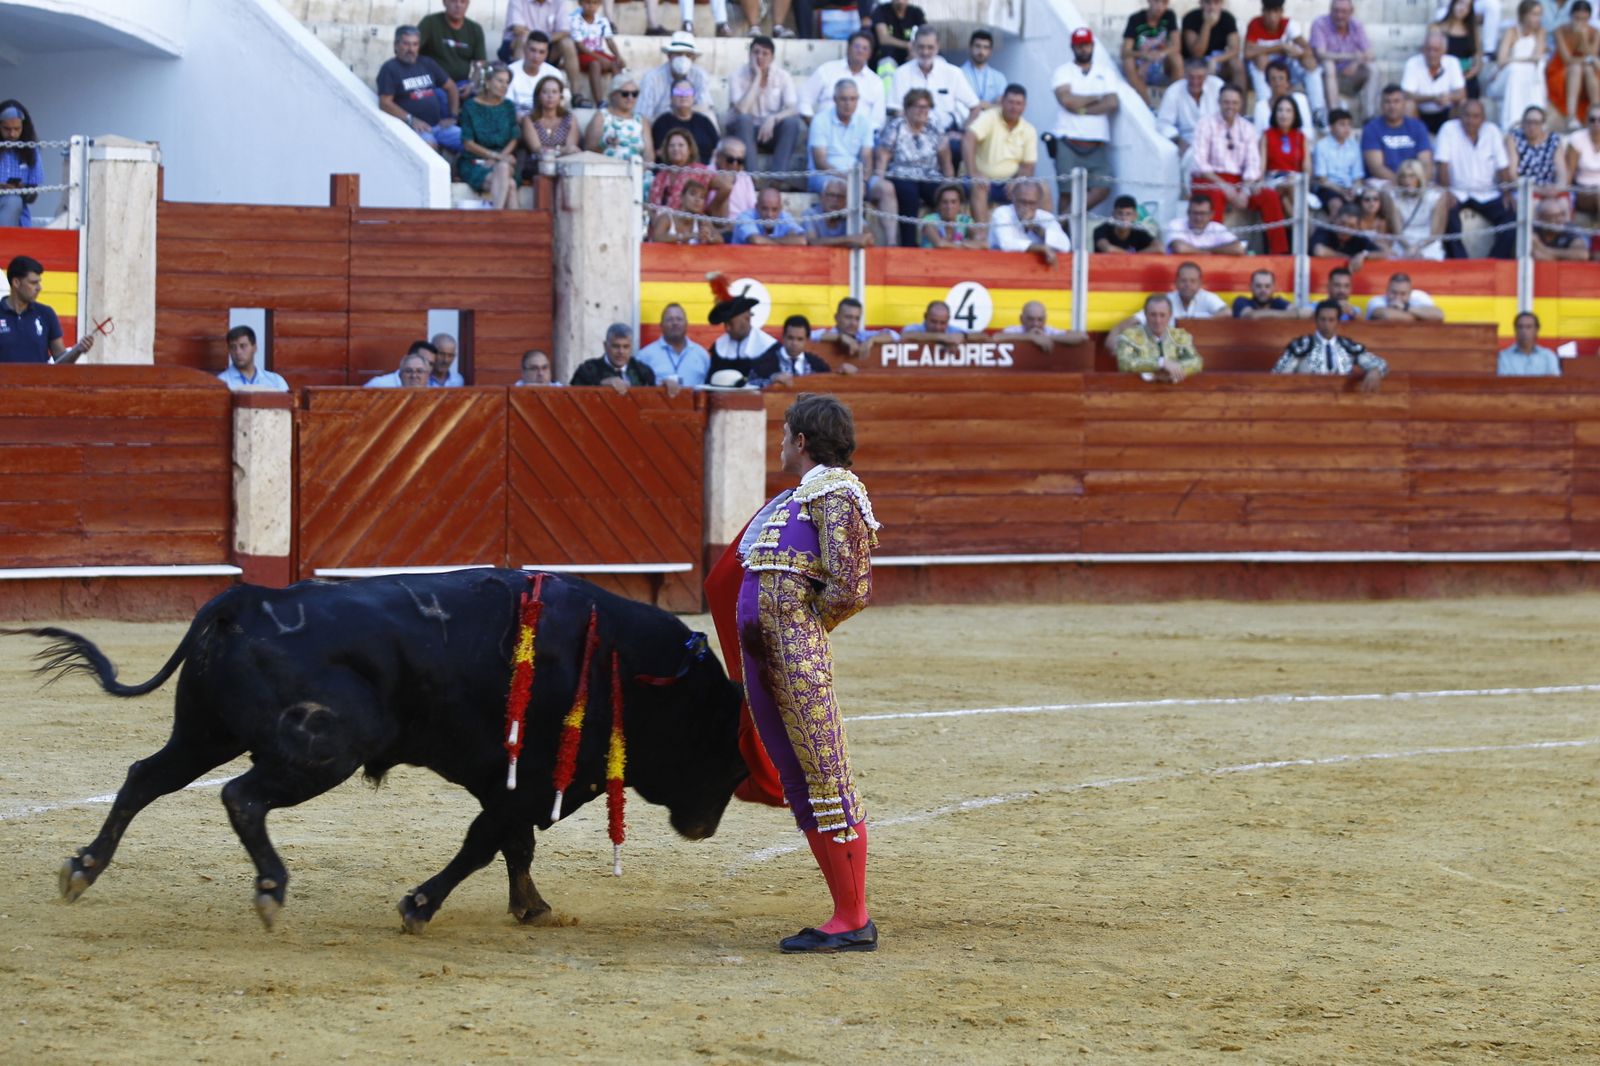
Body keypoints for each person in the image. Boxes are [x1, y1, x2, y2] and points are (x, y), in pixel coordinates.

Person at [732, 393, 879, 955]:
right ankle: (845, 911)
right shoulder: (796, 497)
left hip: (794, 654)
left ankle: (853, 917)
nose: (779, 441)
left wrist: (799, 628)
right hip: (766, 657)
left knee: (825, 776)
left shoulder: (837, 491)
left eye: (784, 431)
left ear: (801, 440)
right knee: (799, 780)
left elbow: (852, 586)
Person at [1191, 84, 1289, 254]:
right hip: (1211, 178)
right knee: (1214, 194)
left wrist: (1244, 191)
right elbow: (1200, 163)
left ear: (1241, 104)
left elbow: (1253, 164)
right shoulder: (1205, 124)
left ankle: (1279, 251)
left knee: (1269, 196)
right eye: (1226, 102)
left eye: (1234, 103)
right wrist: (1224, 186)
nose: (1230, 106)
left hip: (1239, 181)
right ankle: (1215, 250)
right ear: (1219, 102)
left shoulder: (1247, 128)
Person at [809, 80, 899, 242]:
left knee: (886, 188)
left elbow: (867, 157)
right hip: (826, 174)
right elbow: (820, 162)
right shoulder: (820, 120)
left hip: (856, 176)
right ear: (835, 99)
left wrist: (863, 180)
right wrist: (851, 180)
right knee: (844, 187)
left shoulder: (864, 122)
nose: (848, 103)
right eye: (843, 99)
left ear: (857, 100)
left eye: (852, 99)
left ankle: (891, 243)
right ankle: (854, 238)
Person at [1436, 98, 1516, 258]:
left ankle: (1495, 262)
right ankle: (1461, 263)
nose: (1470, 120)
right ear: (1460, 116)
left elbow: (1503, 166)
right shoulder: (1448, 129)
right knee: (1448, 216)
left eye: (1475, 116)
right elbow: (1442, 165)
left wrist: (1507, 193)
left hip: (1488, 192)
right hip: (1457, 191)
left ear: (1483, 118)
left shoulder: (1492, 131)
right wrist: (1447, 192)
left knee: (1511, 217)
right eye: (1467, 116)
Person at [876, 88, 955, 246]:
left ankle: (946, 241)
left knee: (944, 194)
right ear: (907, 109)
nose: (922, 111)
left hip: (929, 175)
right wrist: (879, 178)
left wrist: (950, 183)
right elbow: (883, 155)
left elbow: (946, 159)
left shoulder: (935, 128)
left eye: (926, 107)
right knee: (909, 194)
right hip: (901, 174)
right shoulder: (896, 126)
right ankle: (908, 244)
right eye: (918, 106)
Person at [1050, 28, 1118, 213]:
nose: (1083, 49)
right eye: (1079, 45)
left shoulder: (1106, 72)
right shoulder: (1063, 71)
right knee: (1066, 193)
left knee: (1104, 186)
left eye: (1086, 45)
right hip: (1068, 141)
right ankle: (1063, 235)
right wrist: (1097, 97)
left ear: (1092, 46)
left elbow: (1112, 103)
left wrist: (1079, 108)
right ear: (1073, 47)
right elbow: (1066, 100)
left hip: (1096, 144)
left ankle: (1068, 217)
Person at [890, 28, 981, 157]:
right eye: (921, 47)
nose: (925, 52)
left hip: (945, 133)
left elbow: (975, 107)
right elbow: (896, 110)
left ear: (937, 47)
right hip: (910, 133)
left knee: (956, 146)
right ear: (914, 46)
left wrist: (962, 132)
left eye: (930, 47)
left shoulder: (953, 73)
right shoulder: (901, 73)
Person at [725, 36, 804, 176]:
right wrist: (757, 78)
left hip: (769, 131)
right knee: (744, 119)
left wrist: (774, 118)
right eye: (756, 52)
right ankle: (753, 177)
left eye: (765, 53)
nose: (759, 57)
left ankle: (777, 178)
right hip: (742, 132)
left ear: (772, 58)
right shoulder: (737, 76)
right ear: (749, 55)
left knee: (792, 123)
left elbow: (794, 108)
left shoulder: (783, 76)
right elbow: (742, 109)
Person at [1272, 299, 1388, 392]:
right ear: (1316, 320)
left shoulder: (1348, 347)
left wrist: (1375, 370)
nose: (1326, 324)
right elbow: (1277, 375)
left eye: (1331, 320)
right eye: (1323, 319)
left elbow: (1380, 364)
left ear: (1338, 322)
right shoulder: (1301, 346)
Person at [377, 26, 463, 152]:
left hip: (439, 126)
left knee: (468, 142)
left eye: (415, 44)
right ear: (396, 45)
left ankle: (457, 170)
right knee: (429, 149)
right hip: (413, 129)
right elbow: (385, 103)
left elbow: (451, 87)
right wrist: (411, 119)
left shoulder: (427, 63)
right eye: (406, 44)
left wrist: (453, 117)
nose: (411, 49)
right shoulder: (390, 69)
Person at [963, 84, 1039, 222]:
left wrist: (1018, 180)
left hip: (1010, 184)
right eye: (1010, 102)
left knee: (1043, 189)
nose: (1014, 107)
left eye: (1018, 103)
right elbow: (969, 137)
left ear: (1024, 106)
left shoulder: (1029, 129)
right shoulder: (989, 117)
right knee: (979, 186)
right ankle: (983, 236)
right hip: (983, 180)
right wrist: (973, 173)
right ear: (1002, 101)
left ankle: (1040, 234)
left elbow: (1029, 166)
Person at [1246, 0, 1327, 127]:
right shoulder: (1255, 24)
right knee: (1261, 60)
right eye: (1269, 12)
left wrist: (1297, 53)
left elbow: (1308, 50)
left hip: (1286, 69)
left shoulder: (1289, 24)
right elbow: (1248, 52)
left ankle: (1318, 111)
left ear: (1281, 12)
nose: (1272, 17)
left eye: (1276, 12)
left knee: (1309, 63)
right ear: (1263, 12)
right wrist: (1279, 47)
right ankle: (1266, 109)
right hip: (1264, 72)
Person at [0, 255, 94, 364]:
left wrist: (78, 350)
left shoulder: (45, 314)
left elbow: (61, 361)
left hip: (39, 381)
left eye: (39, 282)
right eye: (33, 283)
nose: (39, 288)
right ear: (16, 282)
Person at [458, 63, 521, 210]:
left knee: (503, 167)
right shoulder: (470, 106)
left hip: (503, 159)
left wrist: (499, 158)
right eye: (500, 81)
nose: (504, 86)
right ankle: (516, 229)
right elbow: (468, 143)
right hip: (475, 162)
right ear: (487, 82)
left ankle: (496, 216)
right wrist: (494, 156)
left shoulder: (508, 106)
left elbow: (514, 138)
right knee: (509, 185)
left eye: (507, 82)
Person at [802, 32, 888, 133]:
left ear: (870, 54)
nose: (860, 51)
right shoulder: (827, 70)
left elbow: (878, 120)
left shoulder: (876, 81)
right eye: (856, 46)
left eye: (865, 48)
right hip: (825, 132)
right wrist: (815, 126)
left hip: (859, 138)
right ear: (848, 48)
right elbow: (804, 99)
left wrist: (864, 137)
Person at [502, 0, 583, 105]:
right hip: (517, 45)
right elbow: (518, 29)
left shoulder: (559, 2)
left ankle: (576, 94)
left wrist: (543, 41)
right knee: (524, 38)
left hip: (548, 44)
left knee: (567, 42)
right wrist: (536, 42)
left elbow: (564, 30)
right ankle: (520, 81)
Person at [1114, 293, 1203, 382]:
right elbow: (1125, 363)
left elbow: (1197, 362)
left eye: (1162, 315)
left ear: (1170, 315)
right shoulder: (1129, 337)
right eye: (1153, 315)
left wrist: (1174, 369)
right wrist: (1161, 363)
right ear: (1145, 314)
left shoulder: (1179, 336)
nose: (1158, 320)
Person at [1158, 58, 1223, 176]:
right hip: (1188, 141)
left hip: (1218, 138)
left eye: (1200, 77)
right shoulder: (1174, 91)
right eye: (1191, 77)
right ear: (1185, 75)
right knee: (1193, 158)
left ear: (1207, 75)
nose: (1195, 81)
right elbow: (1163, 123)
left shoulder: (1218, 86)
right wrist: (1178, 140)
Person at [1312, 0, 1375, 116]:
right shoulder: (1320, 23)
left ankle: (1369, 115)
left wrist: (1357, 61)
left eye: (1343, 12)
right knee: (1328, 64)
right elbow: (1320, 53)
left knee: (1372, 68)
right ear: (1330, 10)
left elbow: (1370, 54)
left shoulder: (1357, 25)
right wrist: (1350, 56)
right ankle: (1334, 113)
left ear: (1351, 12)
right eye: (1336, 11)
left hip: (1349, 76)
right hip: (1325, 77)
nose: (1339, 16)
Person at [988, 178, 1072, 265]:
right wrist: (1040, 248)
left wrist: (1036, 228)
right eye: (1022, 202)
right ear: (1013, 198)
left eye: (1031, 203)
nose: (1026, 207)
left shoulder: (1046, 217)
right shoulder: (1002, 213)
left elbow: (1065, 245)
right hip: (1003, 266)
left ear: (1039, 202)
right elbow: (1006, 244)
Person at [1493, 1, 1548, 133]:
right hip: (1504, 78)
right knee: (1515, 70)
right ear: (1524, 15)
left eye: (1539, 14)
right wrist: (1521, 60)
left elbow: (1537, 58)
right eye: (1534, 14)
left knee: (1537, 69)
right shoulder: (1512, 32)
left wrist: (1516, 60)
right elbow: (1501, 61)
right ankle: (1513, 120)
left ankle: (1536, 117)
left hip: (1527, 75)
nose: (1537, 18)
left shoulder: (1540, 32)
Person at [1361, 84, 1434, 182]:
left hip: (1415, 183)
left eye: (1396, 101)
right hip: (1384, 182)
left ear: (1404, 103)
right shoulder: (1371, 128)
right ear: (1381, 105)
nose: (1392, 106)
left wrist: (1419, 184)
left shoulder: (1418, 127)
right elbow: (1376, 167)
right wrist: (1402, 183)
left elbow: (1425, 162)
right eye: (1387, 102)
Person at [708, 280, 778, 381]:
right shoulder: (718, 347)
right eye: (725, 324)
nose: (727, 329)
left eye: (730, 323)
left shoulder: (768, 348)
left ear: (746, 318)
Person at [1402, 29, 1467, 136]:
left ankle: (1457, 139)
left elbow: (1461, 93)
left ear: (1444, 51)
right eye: (1428, 49)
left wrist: (1448, 97)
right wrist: (1433, 98)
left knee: (1462, 103)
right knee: (1408, 105)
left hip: (1446, 112)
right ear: (1423, 50)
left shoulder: (1452, 62)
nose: (1431, 54)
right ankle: (1413, 139)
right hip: (1420, 113)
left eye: (1436, 50)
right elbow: (1407, 94)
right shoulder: (1413, 63)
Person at [584, 72, 655, 169]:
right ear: (613, 94)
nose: (630, 98)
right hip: (606, 172)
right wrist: (605, 143)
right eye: (625, 94)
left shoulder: (642, 121)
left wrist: (640, 171)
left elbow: (649, 155)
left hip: (638, 174)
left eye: (634, 94)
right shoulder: (601, 116)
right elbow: (589, 150)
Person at [638, 32, 711, 123]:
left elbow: (704, 105)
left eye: (688, 55)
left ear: (693, 59)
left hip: (691, 123)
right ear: (669, 56)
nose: (683, 59)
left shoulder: (700, 76)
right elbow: (643, 114)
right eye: (678, 54)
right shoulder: (652, 78)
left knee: (710, 115)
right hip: (661, 124)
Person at [419, 0, 487, 93]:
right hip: (433, 83)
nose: (458, 5)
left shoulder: (475, 29)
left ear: (467, 4)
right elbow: (413, 49)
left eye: (462, 2)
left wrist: (471, 85)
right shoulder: (430, 22)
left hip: (462, 83)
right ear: (444, 2)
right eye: (453, 1)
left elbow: (480, 64)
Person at [1122, 0, 1183, 103]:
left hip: (1161, 61)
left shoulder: (1169, 16)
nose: (1160, 7)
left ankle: (1175, 101)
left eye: (1164, 3)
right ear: (1149, 1)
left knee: (1177, 58)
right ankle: (1147, 104)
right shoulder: (1136, 19)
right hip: (1141, 64)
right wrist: (1145, 56)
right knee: (1128, 62)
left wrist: (1160, 54)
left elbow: (1176, 46)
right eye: (1157, 2)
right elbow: (1125, 51)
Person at [1261, 91, 1312, 214]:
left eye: (1288, 111)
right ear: (1275, 113)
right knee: (1286, 188)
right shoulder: (1267, 135)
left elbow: (1307, 168)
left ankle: (1295, 223)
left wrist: (1300, 179)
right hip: (1274, 179)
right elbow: (1261, 168)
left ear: (1295, 114)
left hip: (1295, 180)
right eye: (1280, 110)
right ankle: (1305, 229)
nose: (1284, 115)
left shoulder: (1301, 137)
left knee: (1286, 197)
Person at [637, 303, 712, 386]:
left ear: (686, 324)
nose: (675, 323)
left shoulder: (702, 355)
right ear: (661, 325)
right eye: (669, 319)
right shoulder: (645, 356)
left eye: (679, 319)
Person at [1552, 1, 1600, 130]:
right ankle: (1571, 116)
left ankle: (1596, 110)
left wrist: (1583, 37)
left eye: (1584, 19)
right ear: (1571, 16)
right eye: (1577, 18)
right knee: (1577, 68)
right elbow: (1567, 59)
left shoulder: (1595, 32)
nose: (1580, 22)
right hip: (1564, 68)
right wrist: (1587, 60)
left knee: (1588, 69)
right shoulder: (1560, 31)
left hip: (1587, 69)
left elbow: (1592, 54)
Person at [751, 315, 837, 386]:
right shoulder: (766, 361)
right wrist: (771, 379)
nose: (794, 343)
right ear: (783, 337)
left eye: (800, 339)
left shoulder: (817, 364)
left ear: (807, 340)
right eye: (790, 338)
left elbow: (829, 383)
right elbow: (750, 384)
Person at [571, 323, 657, 391]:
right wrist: (600, 384)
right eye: (616, 346)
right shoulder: (587, 370)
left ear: (631, 347)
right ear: (605, 346)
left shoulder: (643, 371)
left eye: (625, 347)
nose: (621, 352)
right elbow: (573, 396)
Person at [1389, 158, 1447, 259]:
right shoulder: (1394, 197)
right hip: (1403, 241)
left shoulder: (1434, 196)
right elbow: (1397, 232)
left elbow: (1435, 233)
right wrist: (1409, 248)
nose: (1407, 181)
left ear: (1419, 178)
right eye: (1404, 177)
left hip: (1428, 241)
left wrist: (1418, 247)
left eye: (1412, 176)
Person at [568, 0, 622, 108]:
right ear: (580, 3)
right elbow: (580, 46)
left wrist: (618, 56)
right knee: (595, 64)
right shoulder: (574, 20)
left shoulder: (602, 21)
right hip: (581, 54)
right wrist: (601, 59)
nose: (591, 6)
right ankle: (600, 101)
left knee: (617, 64)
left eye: (595, 3)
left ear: (599, 4)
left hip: (598, 53)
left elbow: (609, 41)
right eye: (587, 3)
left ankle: (619, 99)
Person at [652, 83, 720, 166]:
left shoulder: (704, 121)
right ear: (671, 98)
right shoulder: (662, 122)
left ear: (693, 97)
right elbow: (658, 152)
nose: (683, 96)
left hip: (705, 172)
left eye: (688, 92)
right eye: (678, 92)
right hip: (673, 171)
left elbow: (717, 149)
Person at [0, 102, 44, 228]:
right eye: (7, 129)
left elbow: (33, 196)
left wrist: (21, 189)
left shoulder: (31, 150)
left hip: (14, 210)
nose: (12, 134)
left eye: (17, 129)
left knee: (13, 200)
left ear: (24, 128)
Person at [650, 127, 714, 212]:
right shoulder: (661, 176)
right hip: (661, 222)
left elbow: (725, 186)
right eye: (671, 145)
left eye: (681, 145)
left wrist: (710, 210)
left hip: (689, 222)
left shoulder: (700, 171)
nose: (676, 149)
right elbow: (652, 208)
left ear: (690, 149)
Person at [1313, 108, 1364, 215]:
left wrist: (1353, 190)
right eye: (1342, 124)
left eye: (1349, 124)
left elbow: (1357, 177)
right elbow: (1322, 180)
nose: (1346, 128)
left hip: (1349, 188)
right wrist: (1342, 191)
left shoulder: (1354, 146)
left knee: (1368, 200)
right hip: (1329, 188)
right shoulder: (1322, 146)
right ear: (1331, 127)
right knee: (1336, 204)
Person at [1182, 0, 1244, 87]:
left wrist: (1216, 59)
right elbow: (1197, 53)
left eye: (1216, 3)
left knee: (1237, 64)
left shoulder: (1227, 18)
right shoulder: (1191, 18)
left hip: (1218, 60)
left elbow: (1235, 49)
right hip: (1194, 61)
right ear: (1201, 3)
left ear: (1222, 4)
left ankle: (1239, 98)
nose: (1212, 7)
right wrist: (1207, 25)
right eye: (1208, 3)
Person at [508, 33, 571, 117]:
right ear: (525, 49)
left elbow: (559, 104)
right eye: (532, 50)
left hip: (544, 119)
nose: (536, 56)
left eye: (541, 52)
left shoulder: (554, 73)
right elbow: (507, 106)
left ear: (546, 54)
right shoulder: (510, 71)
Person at [522, 75, 580, 165]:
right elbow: (537, 149)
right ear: (538, 96)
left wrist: (557, 151)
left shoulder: (569, 118)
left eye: (554, 92)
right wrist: (561, 149)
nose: (550, 96)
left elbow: (571, 149)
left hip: (564, 164)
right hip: (538, 165)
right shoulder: (529, 119)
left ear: (560, 96)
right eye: (545, 92)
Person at [812, 297, 892, 360]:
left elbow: (893, 335)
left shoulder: (863, 336)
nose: (853, 323)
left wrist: (872, 340)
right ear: (836, 318)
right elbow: (810, 335)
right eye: (848, 317)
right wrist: (840, 337)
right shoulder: (827, 334)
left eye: (857, 318)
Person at [1165, 191, 1246, 254]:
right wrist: (1213, 251)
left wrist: (1201, 250)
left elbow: (1238, 248)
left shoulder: (1217, 228)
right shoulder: (1176, 224)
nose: (1198, 218)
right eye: (1195, 213)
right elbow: (1180, 249)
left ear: (1211, 214)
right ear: (1188, 213)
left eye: (1203, 213)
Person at [648, 177, 723, 244]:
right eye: (693, 194)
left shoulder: (702, 220)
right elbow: (657, 238)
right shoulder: (667, 217)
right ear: (682, 197)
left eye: (702, 197)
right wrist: (683, 236)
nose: (697, 200)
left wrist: (710, 238)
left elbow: (720, 239)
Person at [1435, 0, 1483, 101]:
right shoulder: (1437, 28)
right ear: (1453, 3)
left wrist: (1472, 72)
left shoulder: (1472, 30)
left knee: (1471, 87)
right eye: (1460, 3)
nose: (1462, 8)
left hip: (1466, 73)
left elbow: (1478, 58)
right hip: (1444, 72)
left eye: (1467, 6)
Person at [804, 178, 874, 248]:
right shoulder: (811, 214)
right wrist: (848, 239)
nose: (835, 200)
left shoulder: (849, 213)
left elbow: (870, 239)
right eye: (831, 195)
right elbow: (812, 242)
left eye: (840, 196)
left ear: (846, 200)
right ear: (822, 197)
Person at [1251, 58, 1314, 134]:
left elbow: (1307, 131)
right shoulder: (1260, 106)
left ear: (1288, 82)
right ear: (1267, 82)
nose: (1278, 83)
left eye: (1281, 78)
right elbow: (1258, 135)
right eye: (1273, 79)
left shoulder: (1300, 99)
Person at [1557, 103, 1600, 215]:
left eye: (1599, 120)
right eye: (1592, 119)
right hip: (1583, 191)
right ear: (1586, 121)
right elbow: (1569, 173)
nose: (1596, 123)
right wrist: (1564, 195)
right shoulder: (1577, 139)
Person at [216, 325, 289, 391]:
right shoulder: (221, 383)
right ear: (228, 350)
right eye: (233, 347)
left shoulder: (276, 381)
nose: (238, 352)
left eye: (243, 346)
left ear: (255, 348)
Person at [1507, 105, 1562, 190]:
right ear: (1523, 123)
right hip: (1524, 189)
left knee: (1560, 203)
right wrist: (1533, 189)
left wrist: (1557, 188)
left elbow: (1562, 172)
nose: (1532, 127)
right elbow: (1512, 173)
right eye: (1529, 122)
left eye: (1536, 123)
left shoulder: (1553, 140)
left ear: (1543, 124)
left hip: (1549, 189)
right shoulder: (1514, 138)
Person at [733, 186, 809, 245]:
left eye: (774, 210)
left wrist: (766, 240)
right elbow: (756, 241)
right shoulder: (745, 217)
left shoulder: (784, 216)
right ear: (756, 207)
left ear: (780, 208)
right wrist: (787, 240)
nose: (769, 214)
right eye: (764, 209)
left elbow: (802, 240)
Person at [1310, 200, 1379, 265]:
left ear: (1358, 227)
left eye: (1351, 226)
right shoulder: (1325, 229)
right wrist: (1350, 258)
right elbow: (1319, 251)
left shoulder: (1358, 236)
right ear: (1335, 220)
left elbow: (1383, 253)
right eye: (1342, 223)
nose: (1345, 229)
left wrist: (1364, 255)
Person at [706, 138, 757, 221]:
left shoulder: (745, 177)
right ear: (718, 156)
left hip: (741, 224)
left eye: (740, 161)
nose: (735, 164)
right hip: (714, 223)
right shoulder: (705, 173)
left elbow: (752, 207)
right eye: (730, 160)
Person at [1497, 311, 1563, 374]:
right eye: (1520, 327)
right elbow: (1503, 384)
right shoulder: (1504, 357)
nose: (1524, 331)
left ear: (1536, 330)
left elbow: (1554, 383)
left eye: (1528, 327)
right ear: (1515, 330)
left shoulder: (1548, 356)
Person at [1530, 194, 1592, 258]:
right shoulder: (1533, 230)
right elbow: (1537, 256)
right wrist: (1562, 255)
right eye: (1552, 217)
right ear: (1541, 218)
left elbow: (1582, 255)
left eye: (1560, 215)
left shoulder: (1570, 229)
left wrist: (1545, 249)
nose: (1558, 220)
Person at [919, 182, 978, 248]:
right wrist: (965, 246)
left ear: (960, 205)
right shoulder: (929, 220)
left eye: (953, 202)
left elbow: (983, 243)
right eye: (945, 202)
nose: (949, 206)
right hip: (930, 257)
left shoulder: (965, 220)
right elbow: (940, 244)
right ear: (939, 205)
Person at [1367, 271, 1447, 320]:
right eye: (1394, 292)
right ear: (1387, 291)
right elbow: (1386, 316)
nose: (1397, 297)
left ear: (1410, 293)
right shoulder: (1376, 301)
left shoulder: (1420, 297)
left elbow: (1439, 315)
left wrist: (1405, 308)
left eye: (1403, 294)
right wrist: (1422, 317)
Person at [1000, 301, 1088, 345]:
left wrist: (1046, 338)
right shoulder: (1014, 330)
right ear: (1021, 319)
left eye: (1040, 319)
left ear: (1045, 319)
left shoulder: (1049, 331)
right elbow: (997, 337)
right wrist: (1030, 337)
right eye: (1031, 319)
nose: (1035, 324)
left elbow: (1082, 336)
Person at [1095, 194, 1160, 253]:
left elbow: (1159, 248)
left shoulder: (1139, 231)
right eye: (1120, 213)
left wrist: (1134, 257)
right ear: (1113, 214)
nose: (1124, 218)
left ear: (1135, 216)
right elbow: (1107, 248)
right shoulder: (1102, 230)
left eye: (1128, 214)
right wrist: (1132, 256)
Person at [871, 0, 926, 68]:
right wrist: (908, 45)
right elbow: (883, 39)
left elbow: (926, 35)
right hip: (888, 54)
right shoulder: (881, 10)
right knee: (886, 52)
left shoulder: (916, 12)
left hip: (911, 53)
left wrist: (916, 49)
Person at [962, 29, 1010, 104]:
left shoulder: (999, 77)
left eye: (986, 47)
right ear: (970, 48)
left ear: (990, 51)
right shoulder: (959, 73)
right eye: (977, 46)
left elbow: (1003, 104)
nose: (981, 51)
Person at [365, 341, 440, 387]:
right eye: (422, 359)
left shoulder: (435, 389)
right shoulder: (379, 385)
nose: (414, 375)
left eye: (431, 364)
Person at [1233, 268, 1301, 317]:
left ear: (1273, 287)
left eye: (1267, 286)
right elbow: (1252, 316)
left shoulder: (1278, 302)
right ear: (1251, 287)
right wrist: (1289, 314)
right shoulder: (1241, 301)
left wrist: (1296, 313)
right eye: (1258, 286)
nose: (1263, 290)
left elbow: (1300, 312)